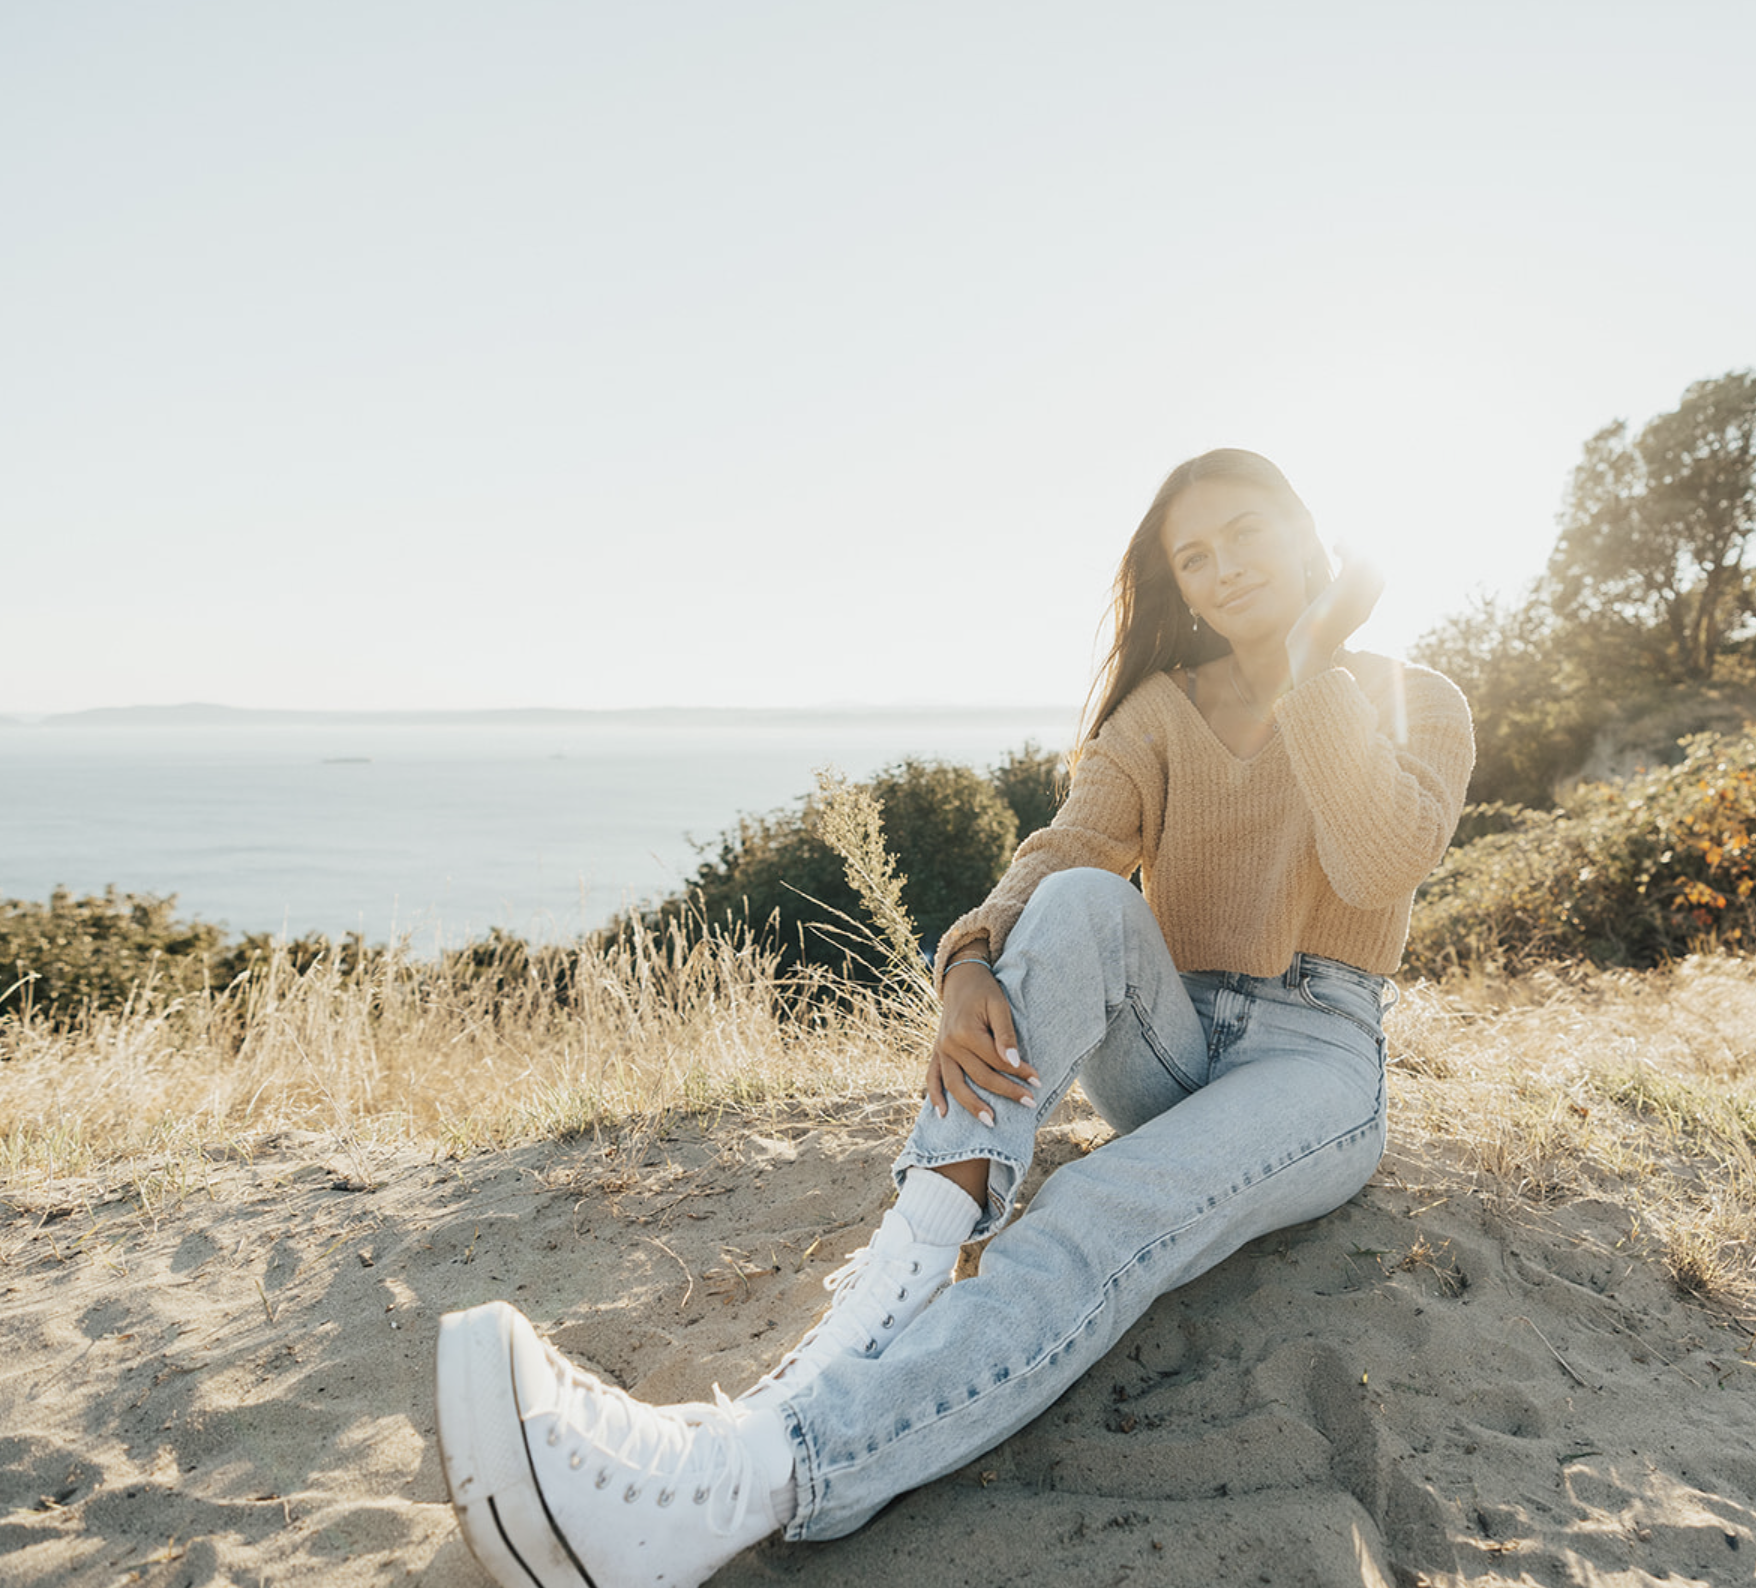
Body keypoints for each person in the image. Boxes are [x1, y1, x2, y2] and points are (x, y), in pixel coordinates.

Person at [431, 448, 1476, 1587]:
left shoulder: (1413, 697)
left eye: (1244, 533)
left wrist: (1313, 662)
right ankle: (924, 1240)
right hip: (1171, 1037)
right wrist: (971, 953)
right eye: (1194, 556)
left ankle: (754, 1478)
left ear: (1309, 529)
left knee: (1095, 1206)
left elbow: (1379, 864)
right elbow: (1068, 851)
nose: (1223, 568)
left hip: (1315, 1059)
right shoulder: (1159, 713)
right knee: (1078, 901)